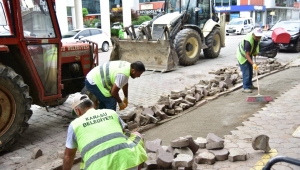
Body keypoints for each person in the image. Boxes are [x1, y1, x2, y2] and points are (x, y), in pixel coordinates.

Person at [63, 95, 148, 170]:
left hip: (98, 167)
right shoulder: (111, 112)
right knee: (136, 135)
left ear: (77, 111)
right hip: (128, 163)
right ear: (93, 105)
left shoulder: (74, 125)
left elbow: (68, 156)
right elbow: (123, 134)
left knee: (86, 161)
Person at [236, 28, 263, 93]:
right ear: (253, 34)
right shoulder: (248, 41)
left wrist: (255, 52)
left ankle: (250, 85)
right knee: (246, 72)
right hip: (242, 56)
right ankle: (245, 87)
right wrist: (253, 63)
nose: (258, 38)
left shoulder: (258, 38)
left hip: (248, 54)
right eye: (257, 37)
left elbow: (256, 46)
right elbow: (247, 55)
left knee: (250, 71)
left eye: (259, 37)